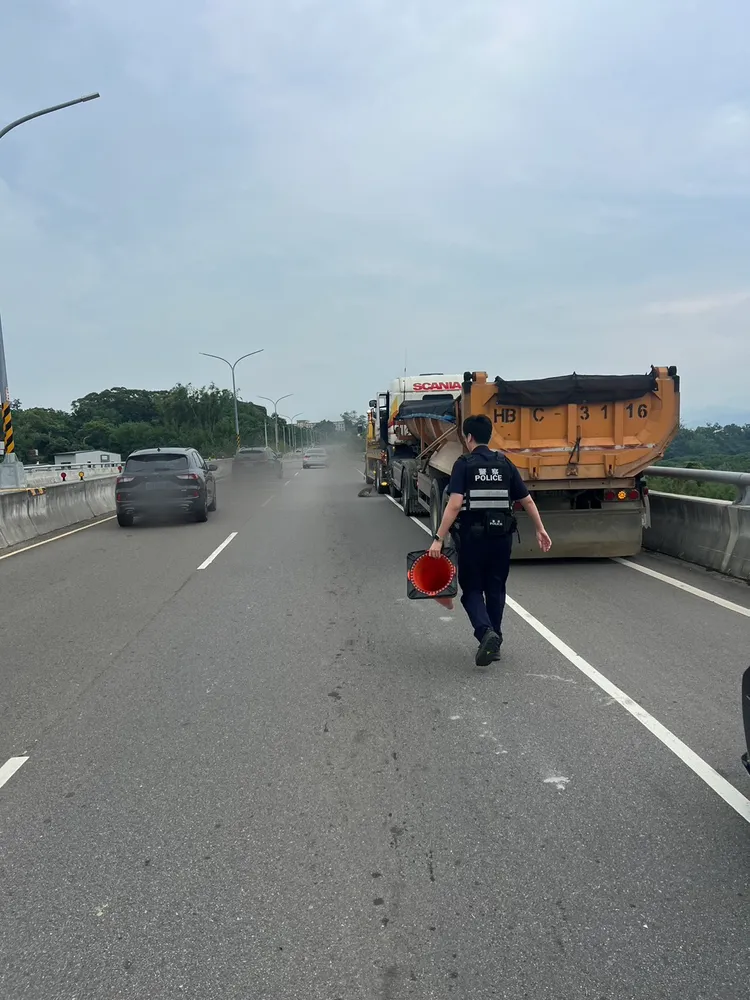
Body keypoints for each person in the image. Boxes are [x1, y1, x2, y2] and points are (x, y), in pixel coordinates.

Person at [428, 414, 551, 666]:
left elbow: (454, 504)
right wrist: (540, 528)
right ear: (490, 436)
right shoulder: (504, 463)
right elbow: (526, 500)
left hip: (472, 540)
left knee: (472, 589)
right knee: (495, 589)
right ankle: (495, 644)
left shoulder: (463, 464)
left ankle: (486, 633)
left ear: (468, 437)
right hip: (501, 539)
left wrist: (438, 538)